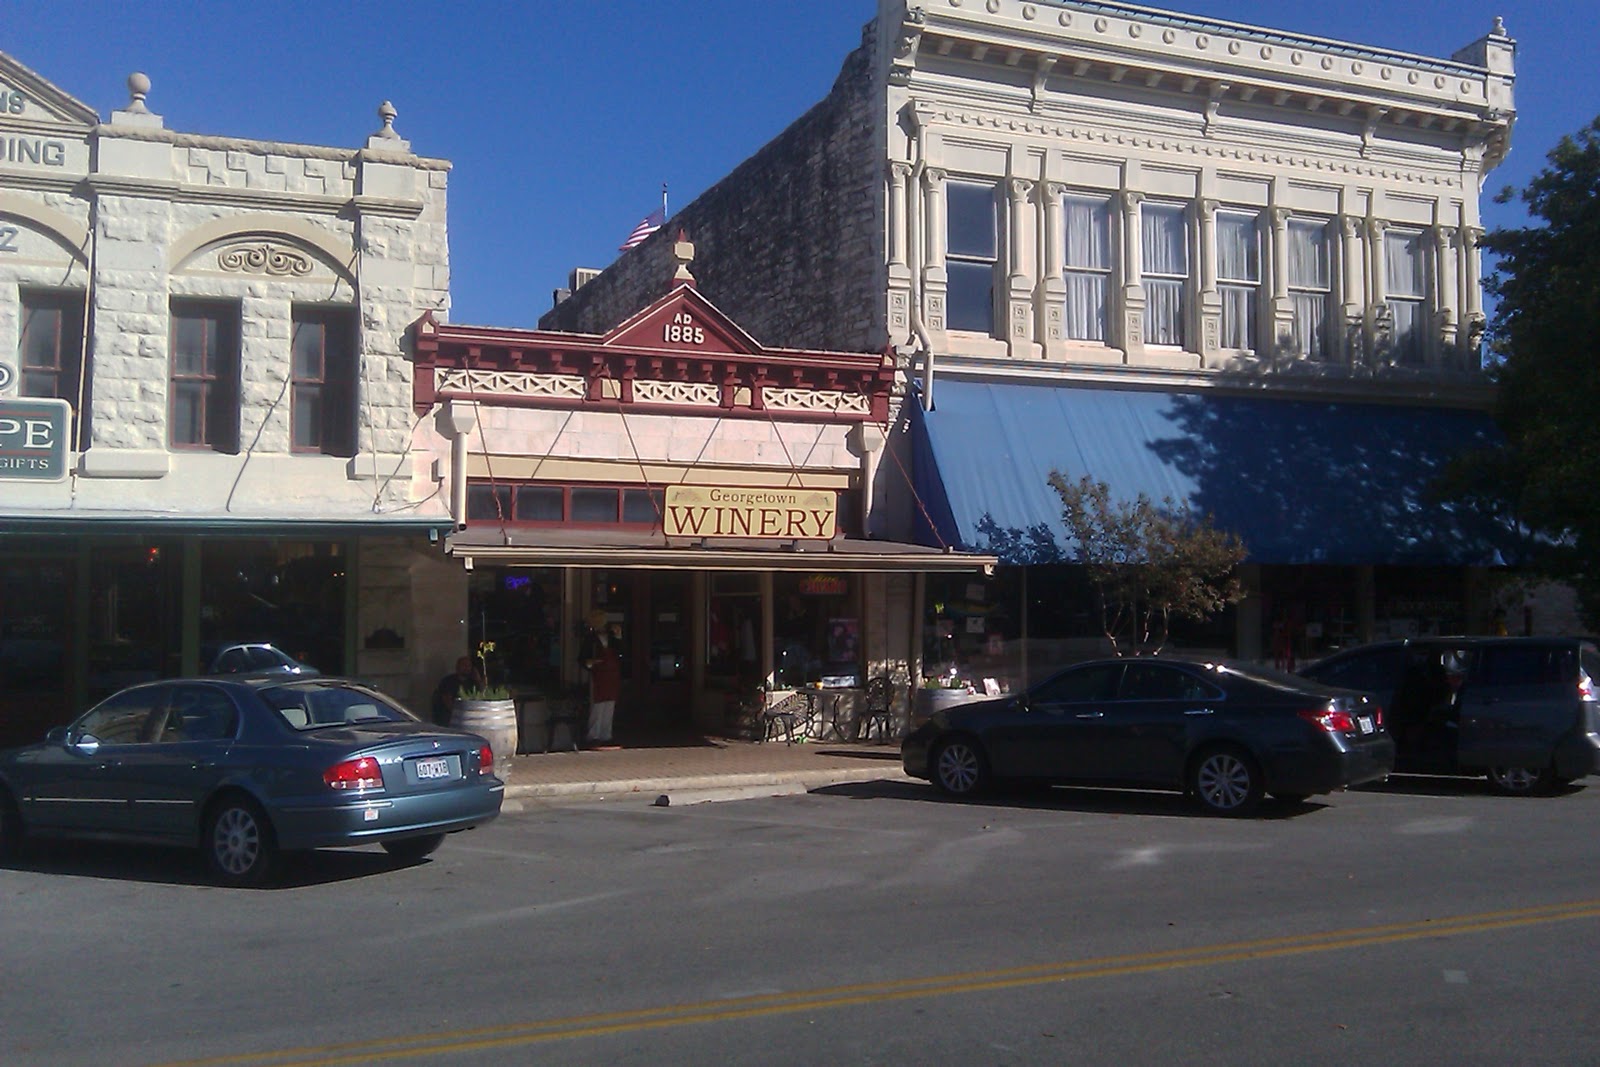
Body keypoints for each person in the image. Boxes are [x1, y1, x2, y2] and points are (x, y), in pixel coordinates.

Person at [585, 621, 623, 748]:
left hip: (611, 674)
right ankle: (594, 735)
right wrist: (590, 662)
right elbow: (583, 657)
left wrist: (618, 636)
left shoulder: (612, 638)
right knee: (598, 706)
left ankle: (606, 735)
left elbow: (620, 651)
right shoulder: (590, 639)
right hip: (598, 674)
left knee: (609, 704)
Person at [431, 655, 482, 726]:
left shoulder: (472, 683)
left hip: (468, 717)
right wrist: (458, 714)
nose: (466, 668)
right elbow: (447, 701)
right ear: (457, 666)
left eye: (469, 666)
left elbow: (481, 696)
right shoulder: (448, 681)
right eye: (464, 665)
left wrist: (478, 680)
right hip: (450, 717)